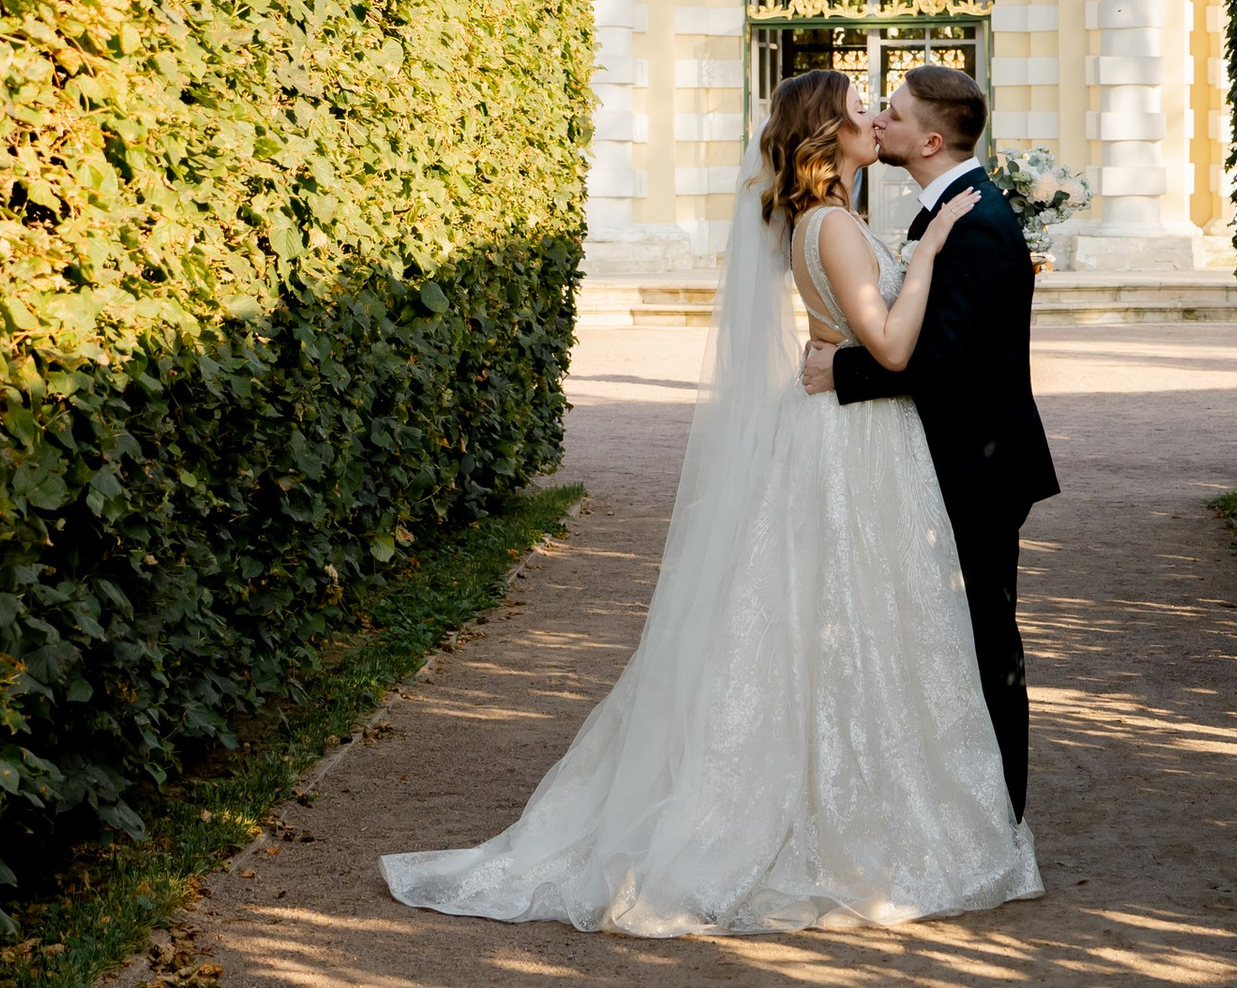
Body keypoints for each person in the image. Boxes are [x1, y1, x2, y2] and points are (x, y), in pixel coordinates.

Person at [379, 72, 1041, 937]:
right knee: (856, 618)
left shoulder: (847, 221)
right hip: (854, 447)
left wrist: (864, 326)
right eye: (860, 111)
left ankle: (933, 797)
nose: (875, 119)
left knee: (859, 622)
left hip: (866, 438)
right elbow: (894, 340)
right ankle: (886, 811)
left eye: (890, 112)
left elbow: (905, 347)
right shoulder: (836, 224)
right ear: (827, 136)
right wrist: (916, 265)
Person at [802, 65, 1058, 817]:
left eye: (895, 113)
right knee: (942, 625)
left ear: (932, 139)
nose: (880, 121)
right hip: (950, 454)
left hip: (980, 463)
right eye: (876, 110)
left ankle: (1002, 809)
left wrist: (840, 370)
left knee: (984, 632)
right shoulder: (944, 209)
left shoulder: (974, 223)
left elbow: (949, 358)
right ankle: (959, 794)